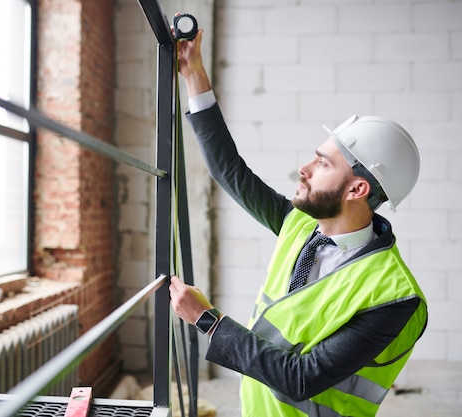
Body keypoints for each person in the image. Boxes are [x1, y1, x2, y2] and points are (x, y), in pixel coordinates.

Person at [168, 27, 428, 417]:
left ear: (357, 189)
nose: (304, 169)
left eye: (322, 163)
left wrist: (207, 320)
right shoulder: (300, 226)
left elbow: (301, 377)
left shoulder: (394, 297)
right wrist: (193, 74)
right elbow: (229, 172)